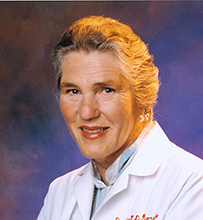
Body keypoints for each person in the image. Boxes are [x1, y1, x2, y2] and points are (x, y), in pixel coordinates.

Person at [37, 16, 203, 220]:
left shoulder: (192, 184)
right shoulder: (59, 193)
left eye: (106, 90)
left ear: (142, 95)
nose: (87, 112)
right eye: (73, 91)